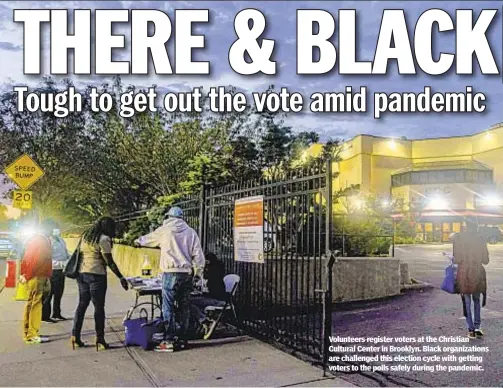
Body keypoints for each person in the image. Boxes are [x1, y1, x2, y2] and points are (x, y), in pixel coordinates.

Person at [135, 206, 205, 352]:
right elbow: (198, 255)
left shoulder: (164, 230)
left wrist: (138, 241)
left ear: (169, 217)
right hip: (186, 273)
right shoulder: (191, 232)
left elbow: (148, 239)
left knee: (168, 307)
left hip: (170, 273)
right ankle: (183, 339)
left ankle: (169, 340)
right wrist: (198, 273)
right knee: (184, 306)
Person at [71, 216, 129, 350]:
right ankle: (100, 339)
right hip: (97, 276)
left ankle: (75, 336)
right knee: (99, 308)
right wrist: (120, 277)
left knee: (82, 305)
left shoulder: (86, 237)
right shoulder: (103, 239)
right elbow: (109, 261)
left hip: (82, 274)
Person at [453, 219, 490, 339]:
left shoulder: (458, 238)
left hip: (464, 274)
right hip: (477, 273)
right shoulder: (481, 239)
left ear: (465, 226)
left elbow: (456, 259)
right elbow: (486, 261)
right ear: (477, 226)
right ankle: (478, 326)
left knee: (467, 302)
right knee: (477, 300)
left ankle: (470, 330)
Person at [20, 219, 53, 344]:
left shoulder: (34, 239)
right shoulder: (43, 241)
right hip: (38, 276)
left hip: (33, 276)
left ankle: (28, 332)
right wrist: (27, 275)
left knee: (30, 303)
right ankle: (32, 334)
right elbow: (38, 260)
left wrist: (23, 274)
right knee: (36, 305)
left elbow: (26, 257)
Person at [42, 222, 70, 322]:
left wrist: (70, 259)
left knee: (59, 293)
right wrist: (62, 263)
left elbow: (66, 252)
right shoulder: (48, 241)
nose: (57, 230)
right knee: (49, 294)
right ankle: (45, 316)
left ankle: (56, 313)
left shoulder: (61, 240)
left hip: (61, 271)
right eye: (55, 228)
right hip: (52, 271)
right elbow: (48, 259)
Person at [190, 252, 227, 322]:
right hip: (215, 298)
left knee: (189, 302)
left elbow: (208, 290)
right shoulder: (217, 275)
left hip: (216, 300)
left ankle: (203, 319)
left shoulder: (213, 276)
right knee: (192, 302)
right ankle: (201, 319)